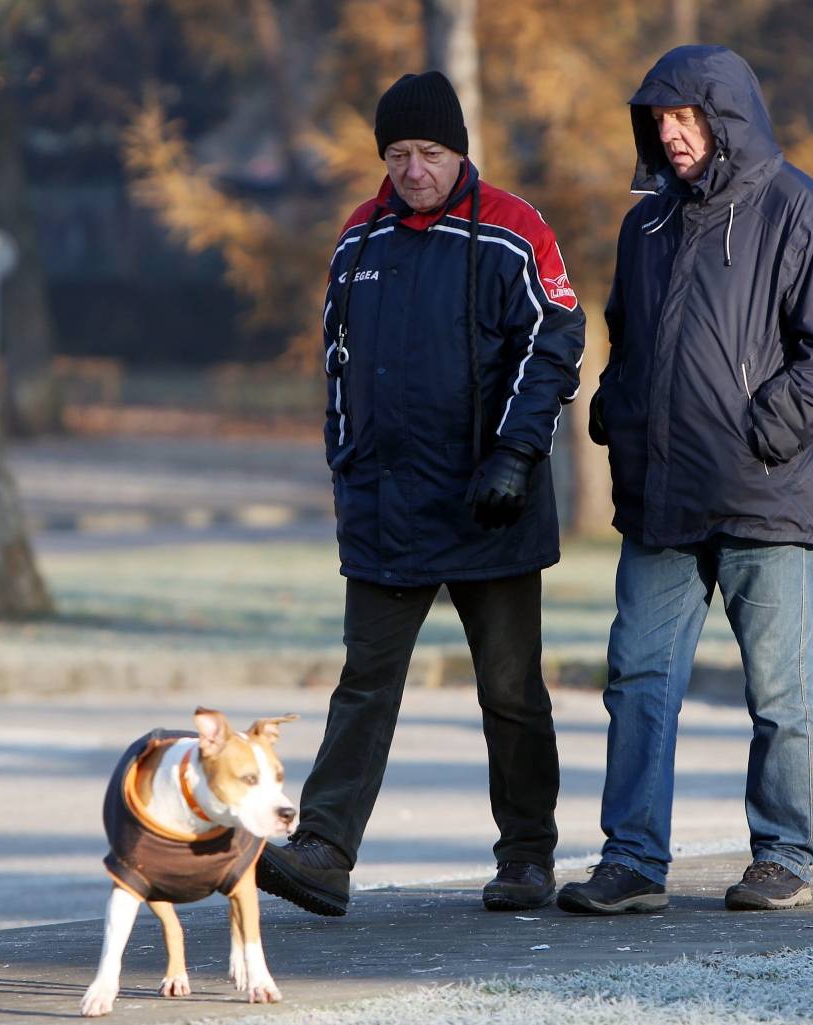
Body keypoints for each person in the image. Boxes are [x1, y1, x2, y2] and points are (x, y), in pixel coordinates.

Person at [256, 70, 585, 917]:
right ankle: (325, 849)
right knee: (364, 681)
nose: (413, 170)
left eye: (429, 153)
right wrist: (345, 464)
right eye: (397, 154)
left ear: (459, 151)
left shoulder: (514, 230)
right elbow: (335, 364)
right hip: (387, 510)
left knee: (510, 691)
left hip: (490, 504)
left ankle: (526, 856)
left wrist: (515, 456)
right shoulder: (357, 240)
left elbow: (555, 341)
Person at [557, 46, 813, 917]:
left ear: (726, 119)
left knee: (778, 693)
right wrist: (616, 412)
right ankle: (631, 860)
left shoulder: (800, 211)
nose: (671, 134)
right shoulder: (646, 225)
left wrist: (760, 435)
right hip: (662, 504)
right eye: (658, 120)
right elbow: (625, 336)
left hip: (768, 499)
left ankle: (781, 855)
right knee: (637, 680)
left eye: (686, 118)